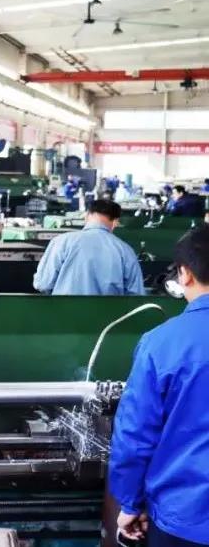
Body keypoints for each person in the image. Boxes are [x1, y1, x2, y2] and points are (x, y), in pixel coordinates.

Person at [110, 225, 209, 546]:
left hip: (184, 518)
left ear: (185, 274)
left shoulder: (162, 343)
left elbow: (135, 434)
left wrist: (130, 503)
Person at [33, 199, 144, 296]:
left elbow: (43, 284)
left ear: (87, 216)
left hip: (64, 312)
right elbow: (136, 295)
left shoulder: (61, 242)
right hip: (109, 314)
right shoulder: (125, 251)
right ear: (115, 222)